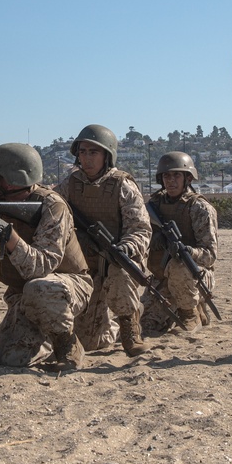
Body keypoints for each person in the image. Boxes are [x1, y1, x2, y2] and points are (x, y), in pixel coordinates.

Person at [0, 142, 93, 371]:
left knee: (39, 287)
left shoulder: (52, 206)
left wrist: (8, 237)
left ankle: (68, 345)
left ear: (10, 179)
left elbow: (43, 266)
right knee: (6, 358)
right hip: (25, 296)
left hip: (66, 288)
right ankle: (43, 340)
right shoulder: (0, 206)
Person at [55, 124, 152, 357]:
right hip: (86, 265)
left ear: (107, 155)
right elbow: (52, 208)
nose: (86, 158)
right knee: (90, 343)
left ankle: (130, 327)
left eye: (93, 152)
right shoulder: (70, 184)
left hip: (114, 262)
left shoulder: (122, 185)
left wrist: (126, 248)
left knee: (120, 270)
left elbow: (141, 229)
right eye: (83, 152)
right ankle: (113, 328)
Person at [144, 152, 218, 332]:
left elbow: (210, 255)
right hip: (162, 276)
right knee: (148, 325)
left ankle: (190, 313)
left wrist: (187, 251)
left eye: (177, 175)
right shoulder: (154, 206)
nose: (171, 180)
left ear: (188, 178)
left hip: (194, 275)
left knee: (179, 266)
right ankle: (190, 308)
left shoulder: (199, 208)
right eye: (166, 176)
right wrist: (155, 239)